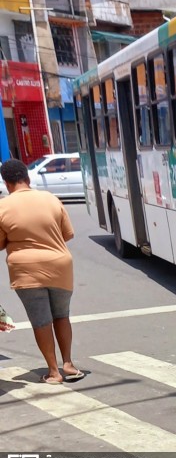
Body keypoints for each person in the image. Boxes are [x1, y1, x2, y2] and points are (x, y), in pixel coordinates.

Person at [0, 159, 84, 384]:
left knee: (41, 321)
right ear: (27, 178)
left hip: (25, 271)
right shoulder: (51, 199)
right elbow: (67, 234)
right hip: (59, 266)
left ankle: (53, 372)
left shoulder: (2, 207)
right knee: (61, 315)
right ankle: (68, 363)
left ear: (7, 184)